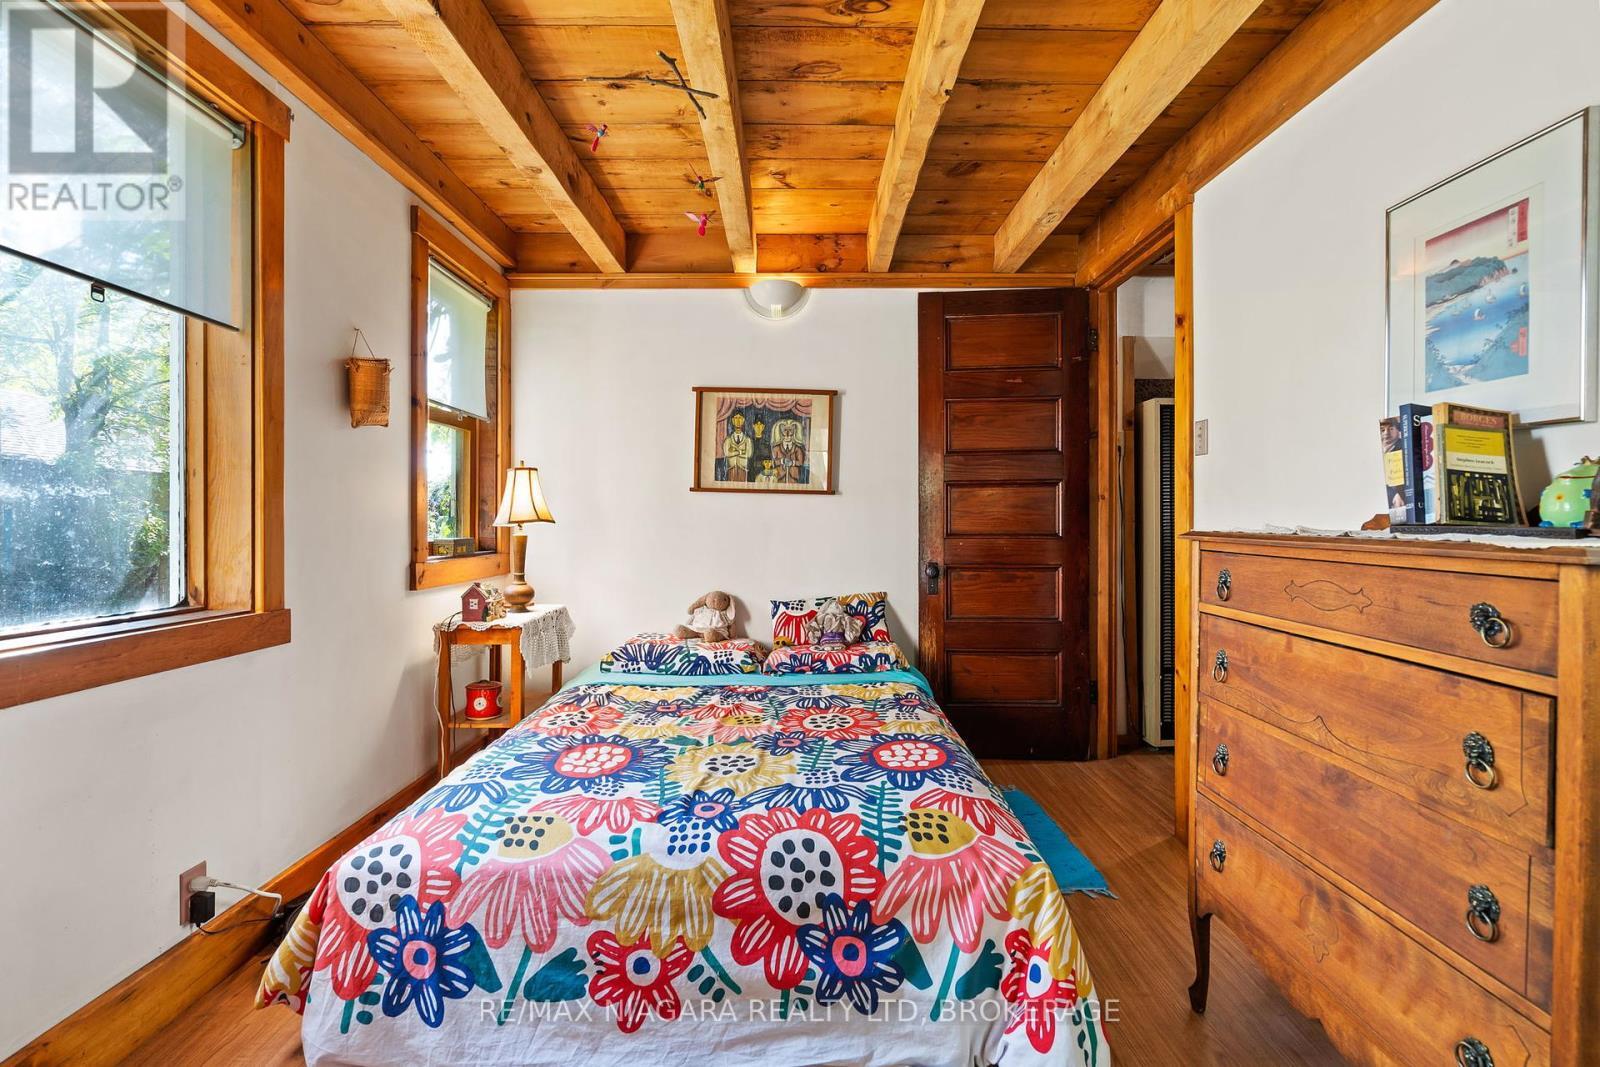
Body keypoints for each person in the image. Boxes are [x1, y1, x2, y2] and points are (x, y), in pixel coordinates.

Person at [772, 419, 806, 483]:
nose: (787, 436)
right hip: (779, 476)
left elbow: (801, 462)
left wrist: (792, 462)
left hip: (793, 476)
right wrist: (781, 461)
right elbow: (773, 462)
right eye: (784, 434)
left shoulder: (798, 449)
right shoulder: (776, 448)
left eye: (790, 434)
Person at [722, 412, 753, 482]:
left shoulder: (747, 440)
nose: (738, 421)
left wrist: (733, 451)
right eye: (736, 418)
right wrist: (741, 451)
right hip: (731, 468)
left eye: (740, 418)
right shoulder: (728, 439)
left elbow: (749, 454)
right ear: (733, 421)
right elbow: (726, 453)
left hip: (744, 469)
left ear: (743, 420)